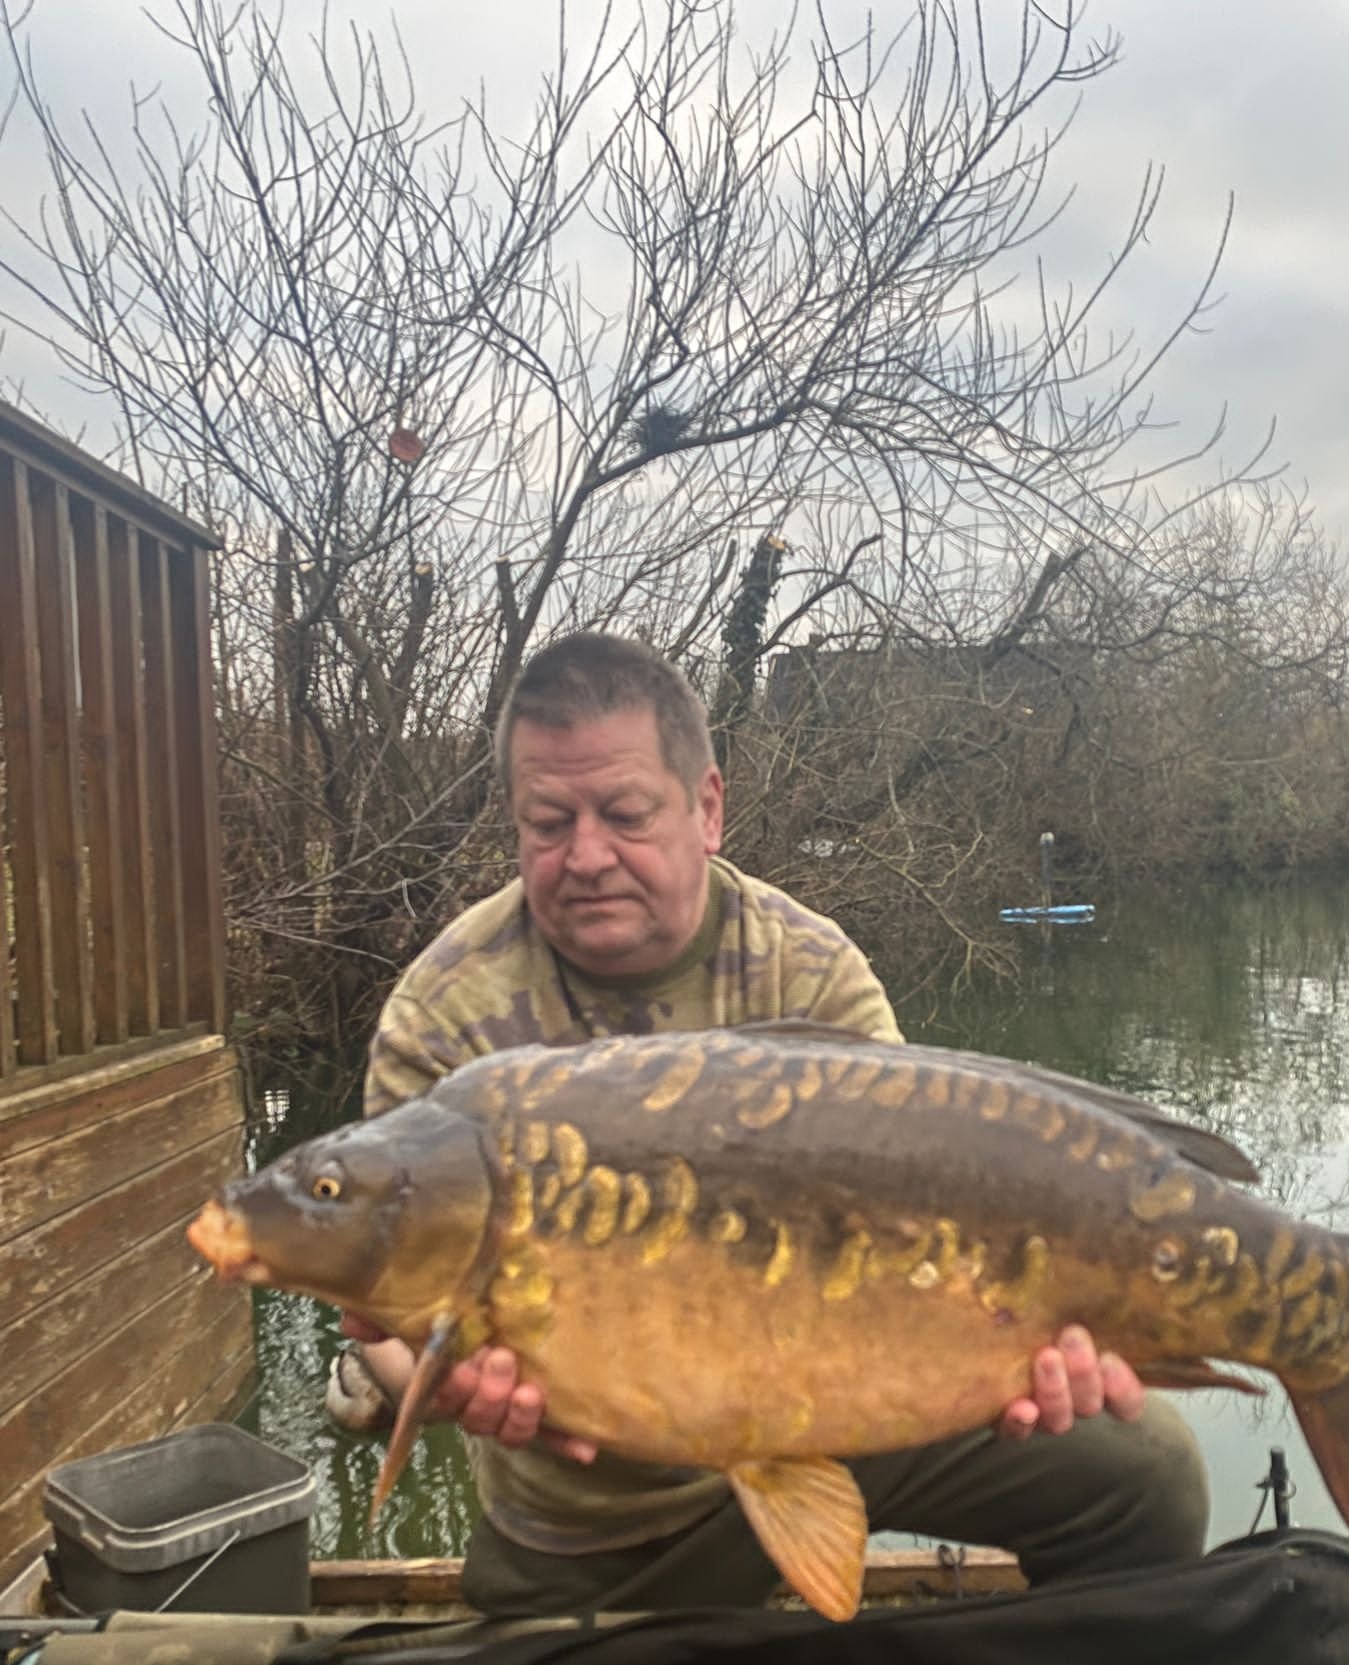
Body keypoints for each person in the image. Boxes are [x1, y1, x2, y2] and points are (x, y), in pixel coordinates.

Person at [329, 630, 1209, 1614]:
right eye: (548, 820)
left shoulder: (809, 970)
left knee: (1148, 1469)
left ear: (706, 808)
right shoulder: (444, 1011)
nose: (586, 854)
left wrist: (1019, 1340)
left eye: (624, 813)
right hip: (596, 1510)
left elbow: (939, 1211)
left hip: (840, 1420)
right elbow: (383, 1310)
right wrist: (434, 1385)